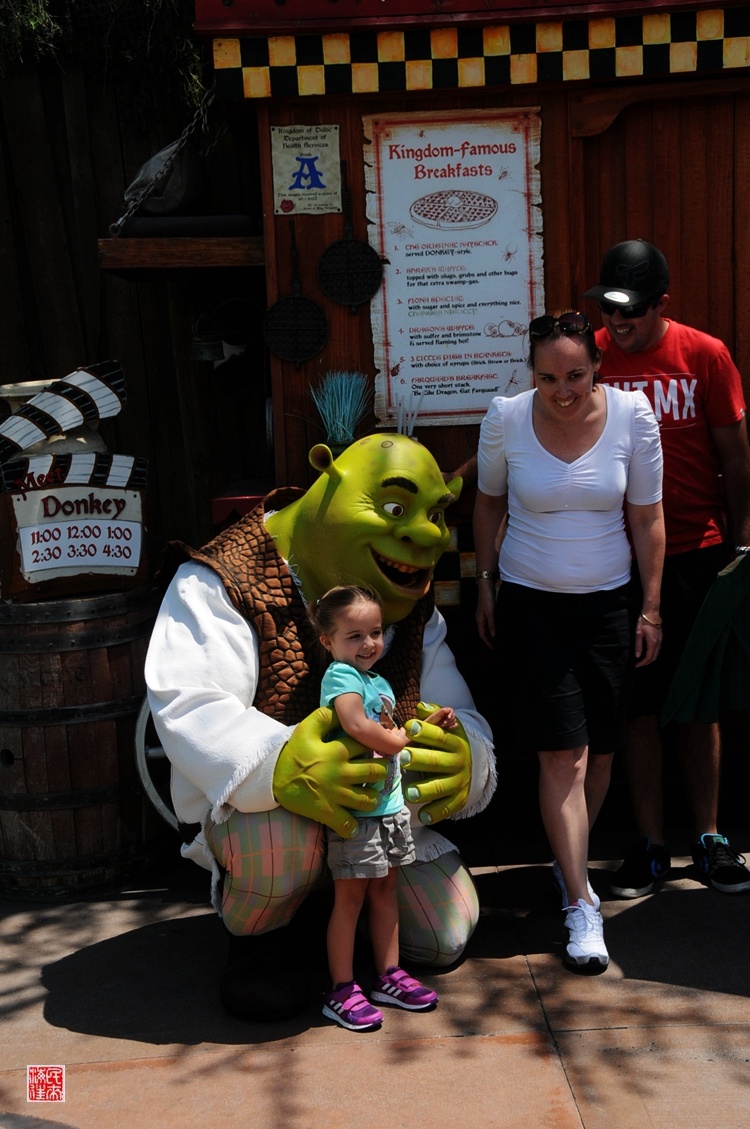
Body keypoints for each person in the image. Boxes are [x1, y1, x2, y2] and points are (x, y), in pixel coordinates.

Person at [145, 433, 496, 1022]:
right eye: (395, 507)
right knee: (280, 847)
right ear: (326, 480)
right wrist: (279, 761)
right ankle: (262, 938)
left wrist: (467, 756)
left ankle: (349, 935)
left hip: (379, 816)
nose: (428, 534)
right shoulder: (220, 579)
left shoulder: (407, 603)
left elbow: (457, 705)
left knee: (446, 932)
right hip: (275, 824)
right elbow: (189, 705)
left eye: (436, 514)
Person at [473, 311, 664, 972]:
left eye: (576, 376)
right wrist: (486, 584)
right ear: (531, 373)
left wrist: (652, 607)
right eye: (548, 377)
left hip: (610, 605)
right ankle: (582, 902)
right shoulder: (505, 419)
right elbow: (489, 504)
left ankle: (568, 860)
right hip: (533, 605)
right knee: (565, 756)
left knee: (602, 752)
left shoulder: (634, 417)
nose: (562, 391)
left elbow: (647, 516)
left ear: (597, 367)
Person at [583, 239, 750, 897]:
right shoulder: (590, 356)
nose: (617, 322)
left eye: (631, 310)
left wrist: (741, 544)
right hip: (616, 559)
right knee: (638, 708)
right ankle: (650, 845)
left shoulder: (705, 355)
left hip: (698, 552)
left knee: (698, 702)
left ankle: (708, 839)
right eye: (609, 308)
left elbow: (736, 458)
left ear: (662, 305)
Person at [309, 585, 454, 1030]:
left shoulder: (378, 683)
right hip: (357, 814)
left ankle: (388, 975)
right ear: (328, 641)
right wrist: (400, 740)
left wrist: (423, 725)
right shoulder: (341, 677)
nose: (369, 643)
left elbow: (387, 728)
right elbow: (357, 725)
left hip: (387, 808)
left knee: (386, 892)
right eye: (354, 636)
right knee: (350, 899)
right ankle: (341, 988)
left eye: (374, 632)